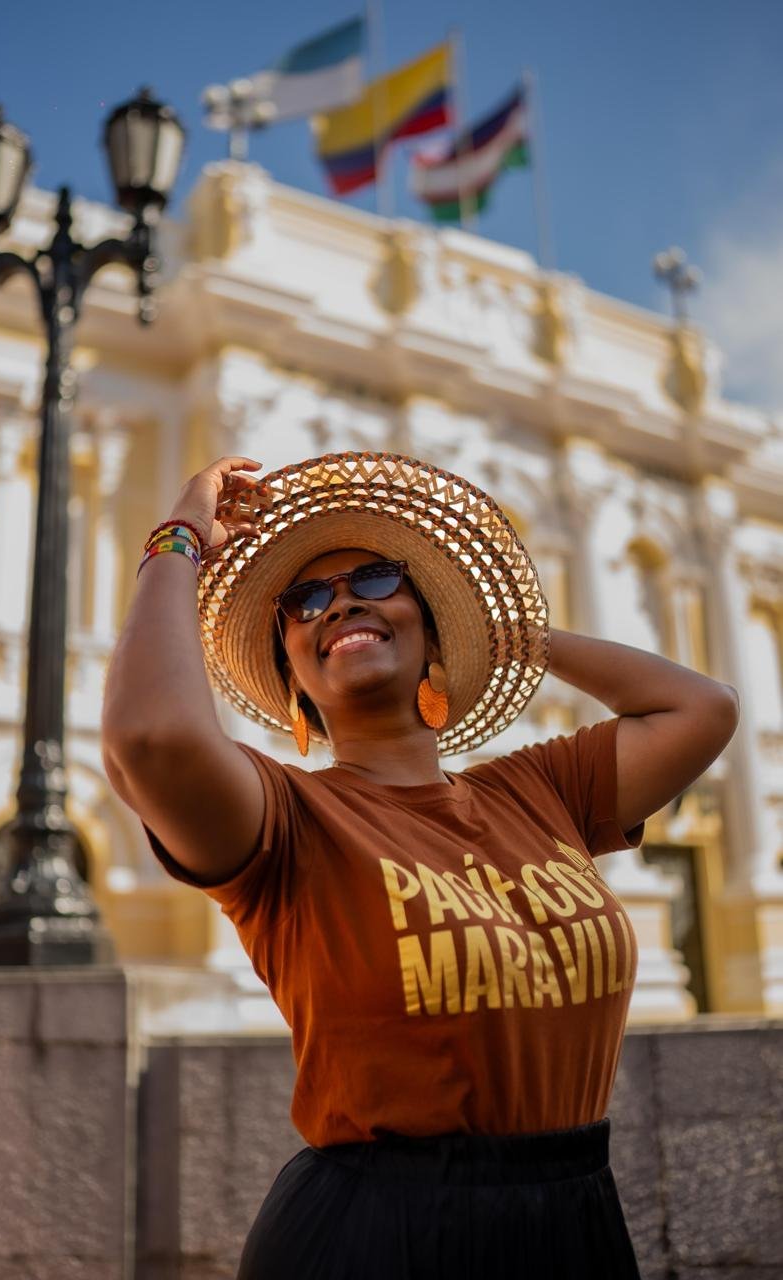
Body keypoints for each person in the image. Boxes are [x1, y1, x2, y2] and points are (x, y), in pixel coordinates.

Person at [102, 451, 739, 1279]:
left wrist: (509, 635)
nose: (339, 604)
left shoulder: (540, 789)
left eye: (375, 579)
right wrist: (180, 536)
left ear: (431, 632)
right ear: (295, 681)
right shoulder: (289, 818)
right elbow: (152, 736)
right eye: (305, 601)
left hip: (577, 1220)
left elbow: (702, 708)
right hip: (376, 1239)